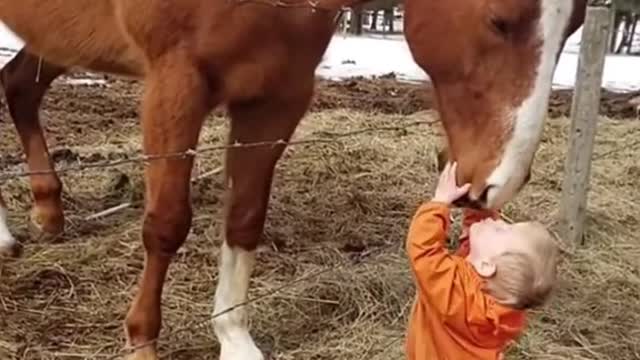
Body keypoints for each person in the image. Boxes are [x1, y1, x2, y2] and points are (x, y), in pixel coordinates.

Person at [404, 162, 559, 360]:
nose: (499, 221)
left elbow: (424, 251)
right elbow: (477, 243)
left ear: (487, 266)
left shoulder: (455, 295)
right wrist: (480, 201)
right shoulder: (500, 310)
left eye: (502, 229)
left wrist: (439, 204)